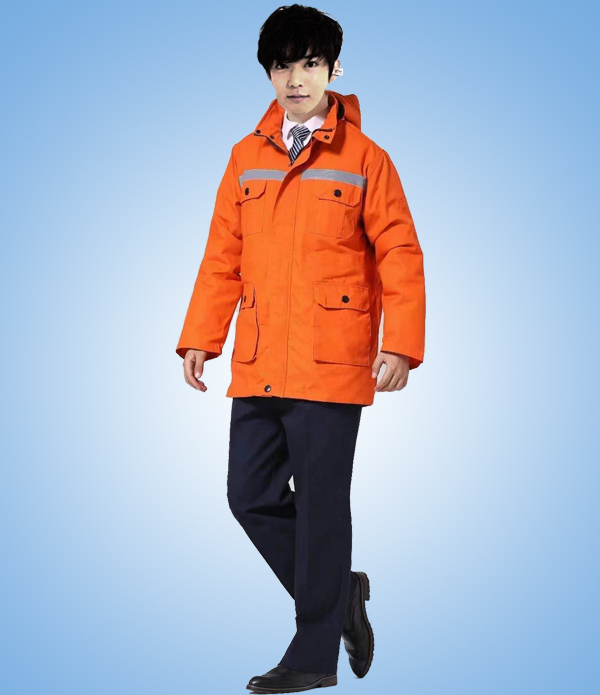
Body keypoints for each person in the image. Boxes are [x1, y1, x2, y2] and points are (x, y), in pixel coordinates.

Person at [176, 5, 426, 692]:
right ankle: (341, 592)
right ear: (268, 72)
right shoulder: (245, 157)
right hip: (259, 358)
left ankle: (314, 655)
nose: (295, 79)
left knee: (320, 507)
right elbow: (221, 256)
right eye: (282, 65)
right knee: (248, 495)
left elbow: (400, 253)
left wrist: (401, 345)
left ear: (333, 69)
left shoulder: (367, 159)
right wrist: (201, 337)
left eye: (310, 63)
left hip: (332, 359)